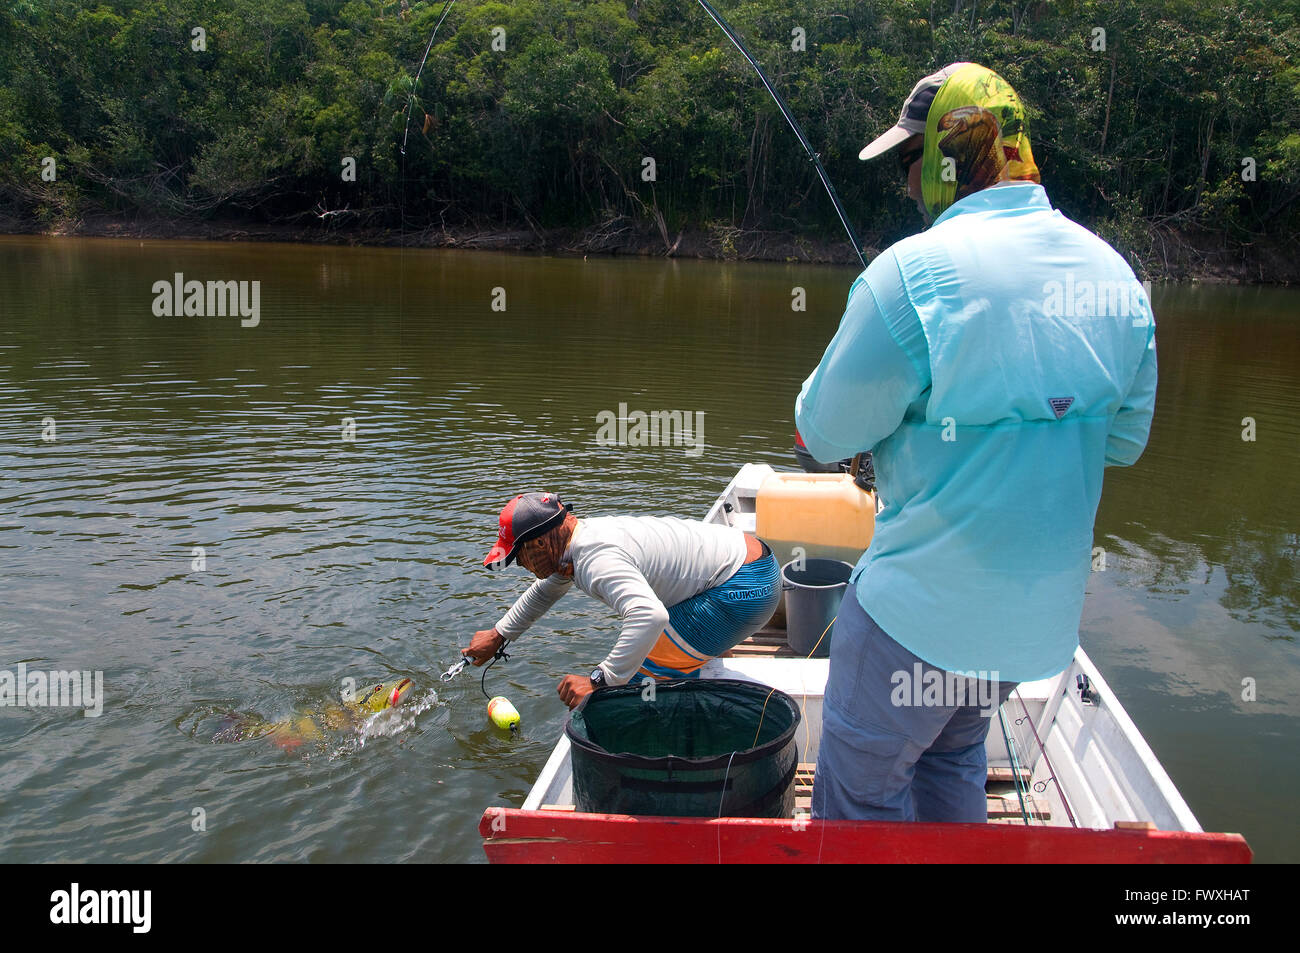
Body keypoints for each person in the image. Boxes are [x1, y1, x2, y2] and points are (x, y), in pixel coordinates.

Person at [796, 63, 1157, 822]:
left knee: (862, 798)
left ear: (949, 154)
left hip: (914, 621)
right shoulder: (1118, 280)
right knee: (954, 755)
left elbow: (821, 429)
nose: (905, 185)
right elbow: (1120, 444)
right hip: (1025, 633)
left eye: (908, 162)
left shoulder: (913, 275)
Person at [463, 492, 782, 709]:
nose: (522, 566)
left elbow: (649, 616)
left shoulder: (593, 559)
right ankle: (704, 658)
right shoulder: (577, 541)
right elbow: (547, 589)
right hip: (751, 568)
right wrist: (498, 635)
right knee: (656, 646)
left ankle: (666, 745)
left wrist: (599, 680)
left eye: (520, 557)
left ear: (542, 543)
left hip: (744, 588)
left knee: (636, 678)